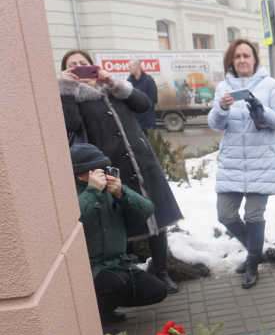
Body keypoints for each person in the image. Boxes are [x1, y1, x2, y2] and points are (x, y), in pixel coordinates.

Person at [59, 49, 183, 297]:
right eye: (72, 66)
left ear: (93, 66)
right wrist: (65, 89)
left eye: (83, 64)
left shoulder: (112, 91)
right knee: (119, 227)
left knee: (155, 221)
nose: (79, 68)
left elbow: (145, 104)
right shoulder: (71, 99)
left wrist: (115, 83)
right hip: (110, 170)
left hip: (142, 164)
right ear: (66, 72)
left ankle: (161, 272)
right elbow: (69, 125)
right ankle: (128, 282)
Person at [207, 39, 275, 289]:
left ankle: (252, 264)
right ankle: (256, 252)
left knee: (254, 216)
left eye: (246, 55)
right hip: (233, 161)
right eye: (237, 56)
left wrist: (262, 110)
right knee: (225, 214)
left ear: (255, 59)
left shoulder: (269, 84)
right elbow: (214, 123)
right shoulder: (224, 86)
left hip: (261, 161)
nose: (242, 60)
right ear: (231, 61)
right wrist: (221, 109)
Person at [71, 143, 167, 335]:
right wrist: (92, 192)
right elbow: (75, 220)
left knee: (156, 290)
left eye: (105, 169)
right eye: (96, 171)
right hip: (89, 268)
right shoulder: (72, 193)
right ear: (81, 174)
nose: (103, 175)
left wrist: (122, 193)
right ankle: (99, 322)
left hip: (117, 264)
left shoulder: (110, 189)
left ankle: (108, 306)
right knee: (116, 282)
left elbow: (147, 210)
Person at [127, 59, 158, 132]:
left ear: (136, 67)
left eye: (130, 67)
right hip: (134, 121)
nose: (129, 69)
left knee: (149, 142)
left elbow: (154, 99)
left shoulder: (148, 81)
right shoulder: (128, 82)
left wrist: (141, 107)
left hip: (147, 120)